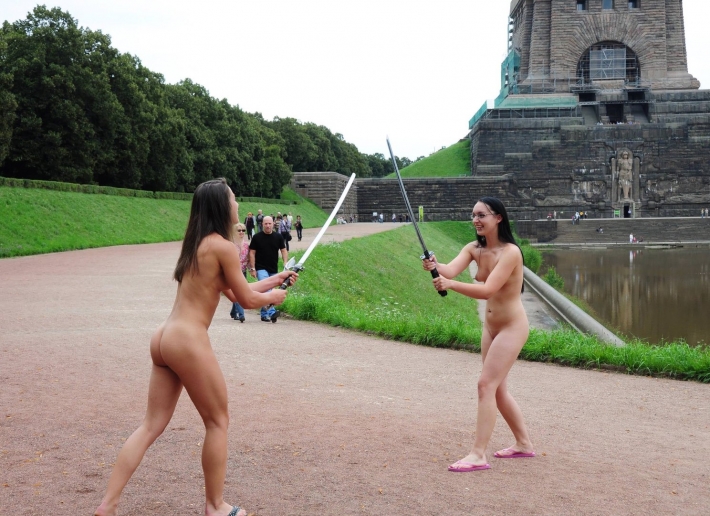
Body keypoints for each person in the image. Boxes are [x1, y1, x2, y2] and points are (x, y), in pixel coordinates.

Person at [94, 179, 296, 516]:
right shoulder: (224, 247)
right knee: (218, 421)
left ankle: (107, 504)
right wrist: (273, 297)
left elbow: (235, 290)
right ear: (222, 205)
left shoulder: (198, 245)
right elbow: (246, 300)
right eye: (233, 199)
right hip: (188, 340)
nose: (237, 204)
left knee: (150, 426)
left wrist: (276, 279)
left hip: (165, 338)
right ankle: (215, 506)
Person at [422, 197, 534, 473]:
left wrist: (450, 284)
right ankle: (523, 443)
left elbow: (487, 291)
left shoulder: (511, 252)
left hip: (512, 327)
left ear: (498, 218)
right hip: (491, 327)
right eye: (473, 215)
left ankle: (478, 454)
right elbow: (449, 270)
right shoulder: (474, 248)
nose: (476, 220)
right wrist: (434, 265)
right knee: (497, 389)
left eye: (481, 215)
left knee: (485, 385)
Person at [249, 216, 288, 323]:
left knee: (268, 291)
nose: (267, 226)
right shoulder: (257, 237)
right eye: (265, 223)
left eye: (269, 223)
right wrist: (253, 268)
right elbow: (252, 253)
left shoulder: (278, 237)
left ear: (273, 224)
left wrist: (285, 263)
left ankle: (264, 314)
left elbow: (283, 250)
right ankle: (271, 312)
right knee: (267, 290)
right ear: (262, 224)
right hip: (261, 267)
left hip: (273, 268)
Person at [229, 223, 250, 322]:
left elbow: (248, 259)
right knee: (238, 292)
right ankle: (241, 314)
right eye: (239, 230)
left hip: (243, 271)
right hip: (233, 272)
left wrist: (251, 269)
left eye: (243, 230)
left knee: (238, 292)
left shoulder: (247, 245)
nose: (241, 232)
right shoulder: (230, 245)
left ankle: (234, 311)